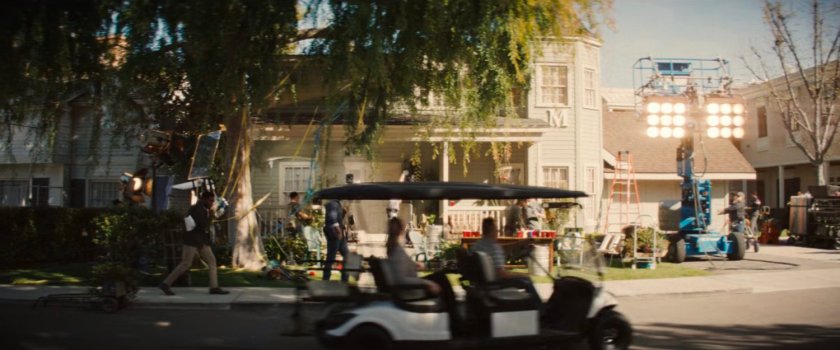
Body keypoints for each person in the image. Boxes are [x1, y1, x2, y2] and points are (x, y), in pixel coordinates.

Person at [158, 191, 229, 295]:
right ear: (204, 199)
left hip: (201, 240)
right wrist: (212, 213)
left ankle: (214, 287)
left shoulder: (204, 209)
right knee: (186, 263)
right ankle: (166, 283)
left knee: (212, 261)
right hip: (192, 240)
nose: (211, 202)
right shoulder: (197, 209)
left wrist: (212, 213)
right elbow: (202, 225)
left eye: (213, 201)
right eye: (210, 200)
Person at [471, 217, 540, 304]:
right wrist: (524, 274)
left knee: (525, 279)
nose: (497, 232)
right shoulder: (493, 247)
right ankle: (538, 308)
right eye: (496, 229)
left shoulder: (478, 245)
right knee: (527, 281)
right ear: (492, 230)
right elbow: (502, 274)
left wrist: (520, 243)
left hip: (482, 282)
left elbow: (502, 248)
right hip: (495, 283)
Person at [385, 217, 441, 295]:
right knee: (441, 279)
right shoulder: (397, 251)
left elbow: (401, 266)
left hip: (411, 287)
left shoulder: (395, 249)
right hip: (411, 291)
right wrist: (427, 283)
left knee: (438, 276)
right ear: (402, 231)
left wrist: (414, 264)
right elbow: (401, 280)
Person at [323, 199, 350, 282]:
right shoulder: (333, 204)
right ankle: (326, 278)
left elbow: (337, 218)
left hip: (338, 234)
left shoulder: (337, 204)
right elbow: (332, 219)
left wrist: (344, 212)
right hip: (335, 234)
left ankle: (344, 277)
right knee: (331, 257)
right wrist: (338, 231)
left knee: (347, 255)